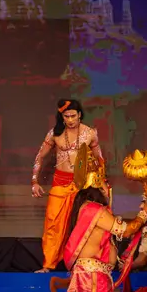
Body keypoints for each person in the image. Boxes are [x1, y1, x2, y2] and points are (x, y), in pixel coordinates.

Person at [48, 144, 147, 292]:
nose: (108, 186)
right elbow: (126, 230)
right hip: (91, 276)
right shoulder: (94, 210)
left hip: (96, 275)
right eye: (105, 182)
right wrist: (143, 215)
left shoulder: (90, 210)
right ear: (97, 184)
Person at [32, 99, 104, 273]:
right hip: (60, 183)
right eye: (66, 116)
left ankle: (81, 264)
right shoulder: (54, 133)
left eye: (73, 115)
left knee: (81, 225)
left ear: (79, 115)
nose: (70, 119)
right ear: (62, 117)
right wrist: (34, 181)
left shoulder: (90, 133)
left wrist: (102, 183)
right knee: (52, 224)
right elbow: (40, 157)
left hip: (82, 186)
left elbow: (99, 159)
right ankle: (48, 265)